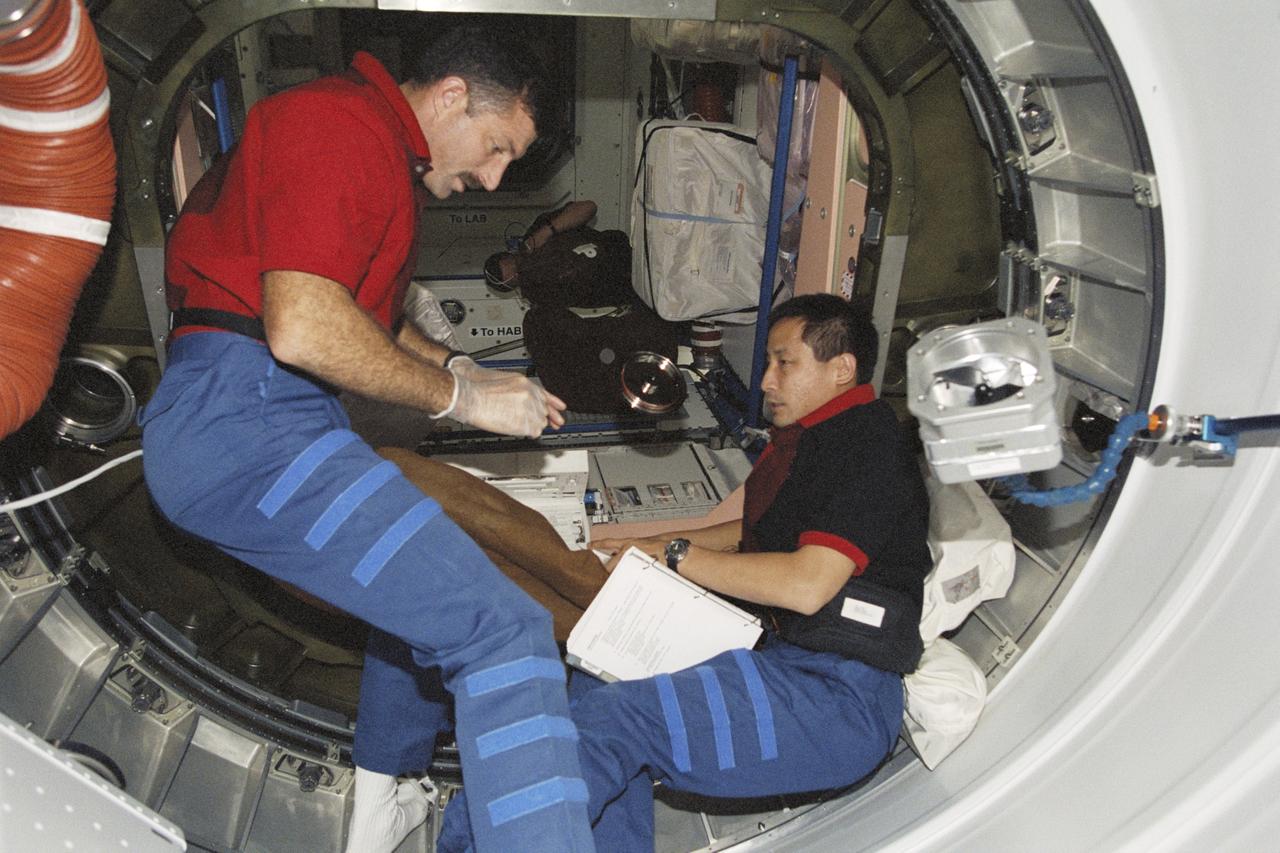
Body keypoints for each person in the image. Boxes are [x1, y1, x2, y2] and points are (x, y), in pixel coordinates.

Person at [138, 27, 598, 853]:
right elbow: (305, 327)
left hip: (264, 416)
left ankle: (384, 799)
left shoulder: (364, 141)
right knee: (506, 629)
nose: (494, 178)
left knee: (418, 599)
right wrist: (461, 399)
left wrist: (461, 366)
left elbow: (360, 318)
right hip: (249, 418)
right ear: (452, 95)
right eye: (498, 148)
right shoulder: (342, 126)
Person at [439, 293, 934, 851]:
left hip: (837, 700)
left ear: (841, 369)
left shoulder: (867, 442)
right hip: (786, 662)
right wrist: (652, 544)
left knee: (616, 719)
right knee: (598, 672)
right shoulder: (817, 440)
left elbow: (806, 584)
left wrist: (677, 556)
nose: (766, 381)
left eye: (784, 363)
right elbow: (754, 534)